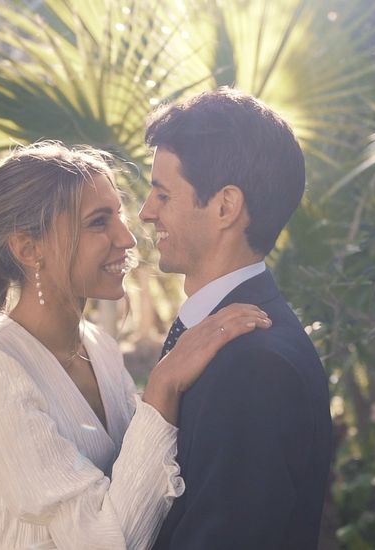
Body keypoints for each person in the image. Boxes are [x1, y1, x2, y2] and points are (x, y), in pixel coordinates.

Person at [0, 142, 271, 550]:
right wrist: (163, 385)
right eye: (99, 222)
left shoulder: (100, 348)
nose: (128, 238)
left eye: (118, 214)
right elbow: (106, 541)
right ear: (29, 249)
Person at [141, 88, 333, 549]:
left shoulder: (255, 365)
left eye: (163, 195)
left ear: (226, 207)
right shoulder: (222, 336)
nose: (147, 213)